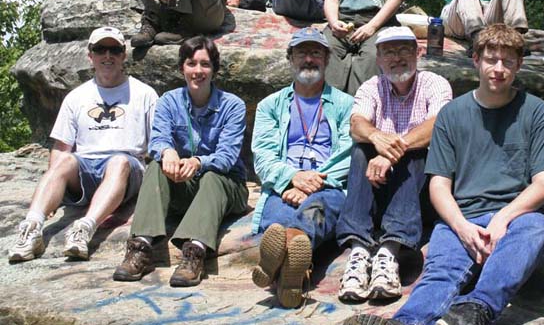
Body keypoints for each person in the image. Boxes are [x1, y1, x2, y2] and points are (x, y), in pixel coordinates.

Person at [345, 24, 544, 325]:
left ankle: (477, 308)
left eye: (507, 62)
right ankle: (404, 321)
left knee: (537, 227)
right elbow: (439, 184)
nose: (498, 69)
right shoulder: (453, 114)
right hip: (461, 214)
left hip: (516, 217)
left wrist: (503, 218)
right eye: (491, 59)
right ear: (476, 60)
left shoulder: (537, 111)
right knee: (440, 272)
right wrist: (460, 226)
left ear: (518, 65)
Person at [8, 27, 158, 262]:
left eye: (114, 50)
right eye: (100, 50)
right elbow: (61, 147)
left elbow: (158, 143)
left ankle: (85, 228)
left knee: (118, 161)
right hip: (85, 168)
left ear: (123, 55)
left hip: (126, 169)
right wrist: (53, 193)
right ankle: (32, 227)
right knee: (65, 160)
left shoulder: (144, 94)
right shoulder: (76, 97)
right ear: (90, 56)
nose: (107, 56)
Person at [113, 36, 248, 287]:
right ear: (181, 68)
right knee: (155, 166)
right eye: (191, 64)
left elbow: (227, 157)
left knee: (212, 175)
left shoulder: (232, 106)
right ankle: (141, 247)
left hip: (225, 189)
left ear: (214, 70)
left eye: (205, 65)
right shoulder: (169, 101)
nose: (198, 71)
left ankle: (195, 251)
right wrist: (167, 153)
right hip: (184, 188)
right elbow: (158, 140)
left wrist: (198, 162)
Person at [336, 26, 452, 303]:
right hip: (378, 190)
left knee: (416, 154)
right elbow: (357, 124)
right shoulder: (371, 87)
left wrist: (390, 152)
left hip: (420, 195)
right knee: (362, 149)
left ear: (417, 53)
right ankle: (358, 252)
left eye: (403, 50)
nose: (397, 58)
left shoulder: (435, 83)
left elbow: (438, 125)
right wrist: (376, 137)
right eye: (389, 52)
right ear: (378, 58)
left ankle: (389, 253)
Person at [250, 27, 354, 308]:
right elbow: (262, 154)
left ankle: (286, 258)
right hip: (285, 187)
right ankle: (294, 270)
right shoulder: (269, 105)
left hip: (328, 186)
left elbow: (348, 154)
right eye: (302, 52)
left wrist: (313, 182)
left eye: (316, 53)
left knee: (315, 211)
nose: (309, 59)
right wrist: (292, 178)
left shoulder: (346, 104)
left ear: (327, 59)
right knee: (276, 217)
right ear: (290, 58)